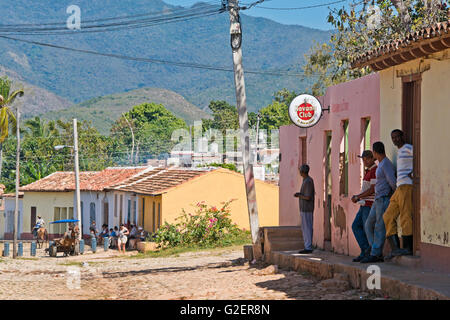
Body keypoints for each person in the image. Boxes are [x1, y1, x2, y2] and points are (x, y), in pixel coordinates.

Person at [361, 142, 397, 263]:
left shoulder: (386, 164)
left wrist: (393, 195)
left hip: (383, 198)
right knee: (368, 224)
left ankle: (376, 254)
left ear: (375, 153)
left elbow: (392, 181)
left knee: (379, 226)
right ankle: (374, 249)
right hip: (378, 198)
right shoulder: (382, 164)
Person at [383, 129, 414, 258]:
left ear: (402, 136)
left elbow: (420, 158)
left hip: (407, 185)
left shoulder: (408, 148)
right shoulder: (399, 151)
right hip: (398, 187)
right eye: (393, 138)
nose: (395, 139)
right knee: (387, 216)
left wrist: (414, 173)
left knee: (405, 216)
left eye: (397, 137)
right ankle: (395, 248)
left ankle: (407, 247)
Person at [351, 150, 377, 262]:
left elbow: (372, 189)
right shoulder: (368, 171)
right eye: (363, 159)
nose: (365, 161)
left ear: (372, 158)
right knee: (356, 226)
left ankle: (370, 252)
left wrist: (358, 196)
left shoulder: (375, 171)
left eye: (367, 159)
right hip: (364, 203)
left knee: (367, 229)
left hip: (369, 204)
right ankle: (365, 250)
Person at [294, 164, 315, 254]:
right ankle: (307, 246)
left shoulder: (308, 181)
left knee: (307, 228)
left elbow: (308, 197)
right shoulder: (306, 181)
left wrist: (299, 195)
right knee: (306, 227)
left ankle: (308, 247)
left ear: (302, 172)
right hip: (304, 208)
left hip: (307, 208)